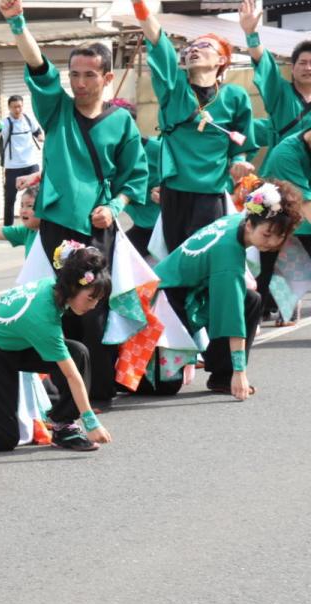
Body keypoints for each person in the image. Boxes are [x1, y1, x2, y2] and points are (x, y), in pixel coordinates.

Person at [0, 0, 148, 404]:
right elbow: (38, 67)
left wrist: (113, 208)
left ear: (107, 77)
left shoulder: (121, 122)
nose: (80, 83)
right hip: (57, 226)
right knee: (59, 306)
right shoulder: (55, 109)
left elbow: (135, 176)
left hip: (98, 229)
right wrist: (17, 22)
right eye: (75, 74)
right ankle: (65, 395)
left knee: (95, 308)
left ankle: (99, 391)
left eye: (89, 75)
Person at [151, 180, 302, 399]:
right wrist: (240, 372)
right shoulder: (228, 253)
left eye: (279, 236)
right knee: (164, 386)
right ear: (250, 225)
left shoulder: (236, 221)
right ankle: (228, 374)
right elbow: (232, 317)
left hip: (189, 292)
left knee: (251, 300)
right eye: (267, 234)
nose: (272, 242)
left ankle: (223, 376)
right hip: (163, 298)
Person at [133, 0, 256, 252]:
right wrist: (139, 5)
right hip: (173, 190)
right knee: (177, 256)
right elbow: (157, 41)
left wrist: (239, 162)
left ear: (221, 59)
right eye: (190, 47)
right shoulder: (173, 87)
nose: (193, 50)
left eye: (204, 46)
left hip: (212, 190)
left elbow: (241, 142)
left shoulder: (235, 96)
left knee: (205, 255)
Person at [0, 242, 113, 452]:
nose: (94, 305)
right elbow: (71, 375)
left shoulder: (55, 286)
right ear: (73, 287)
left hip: (20, 340)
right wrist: (91, 423)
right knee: (4, 439)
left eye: (98, 299)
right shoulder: (43, 318)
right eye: (90, 298)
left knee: (78, 353)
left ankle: (63, 425)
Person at [253, 133, 311, 323]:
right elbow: (305, 204)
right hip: (278, 213)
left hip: (300, 215)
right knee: (267, 267)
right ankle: (253, 318)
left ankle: (287, 302)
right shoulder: (286, 153)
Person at [240, 0, 311, 149]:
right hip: (283, 162)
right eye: (302, 63)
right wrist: (250, 33)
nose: (308, 68)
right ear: (292, 68)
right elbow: (264, 64)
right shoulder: (279, 92)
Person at [111, 99, 163, 261]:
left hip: (163, 226)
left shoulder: (158, 149)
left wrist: (168, 191)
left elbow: (186, 176)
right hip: (141, 225)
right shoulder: (108, 156)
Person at [0, 94, 43, 226]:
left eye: (19, 106)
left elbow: (37, 131)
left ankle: (39, 224)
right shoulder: (7, 123)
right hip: (13, 167)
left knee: (37, 195)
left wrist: (41, 137)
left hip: (31, 164)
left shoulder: (28, 120)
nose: (17, 109)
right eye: (14, 107)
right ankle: (8, 227)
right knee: (10, 199)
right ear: (9, 108)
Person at [0, 182, 40, 252]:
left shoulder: (53, 232)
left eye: (29, 206)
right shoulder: (26, 231)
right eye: (22, 206)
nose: (23, 211)